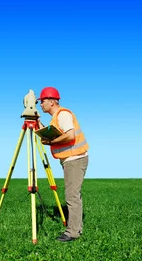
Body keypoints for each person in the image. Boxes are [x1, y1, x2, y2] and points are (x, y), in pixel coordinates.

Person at [37, 87, 89, 242]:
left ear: (52, 102)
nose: (41, 104)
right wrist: (37, 121)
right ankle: (75, 228)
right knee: (72, 194)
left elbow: (70, 135)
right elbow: (50, 133)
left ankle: (73, 232)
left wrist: (51, 141)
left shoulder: (63, 114)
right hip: (70, 159)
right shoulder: (55, 118)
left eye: (43, 101)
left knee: (72, 195)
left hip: (75, 158)